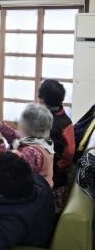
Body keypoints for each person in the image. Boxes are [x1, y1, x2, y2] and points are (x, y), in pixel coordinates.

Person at [0, 103, 55, 187]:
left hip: (25, 193)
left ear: (26, 127)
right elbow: (15, 136)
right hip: (28, 189)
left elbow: (7, 168)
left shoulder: (32, 152)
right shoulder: (41, 141)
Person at [37, 79, 75, 210]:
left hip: (51, 179)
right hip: (58, 175)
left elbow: (69, 152)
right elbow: (69, 151)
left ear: (42, 99)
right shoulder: (65, 119)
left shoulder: (46, 124)